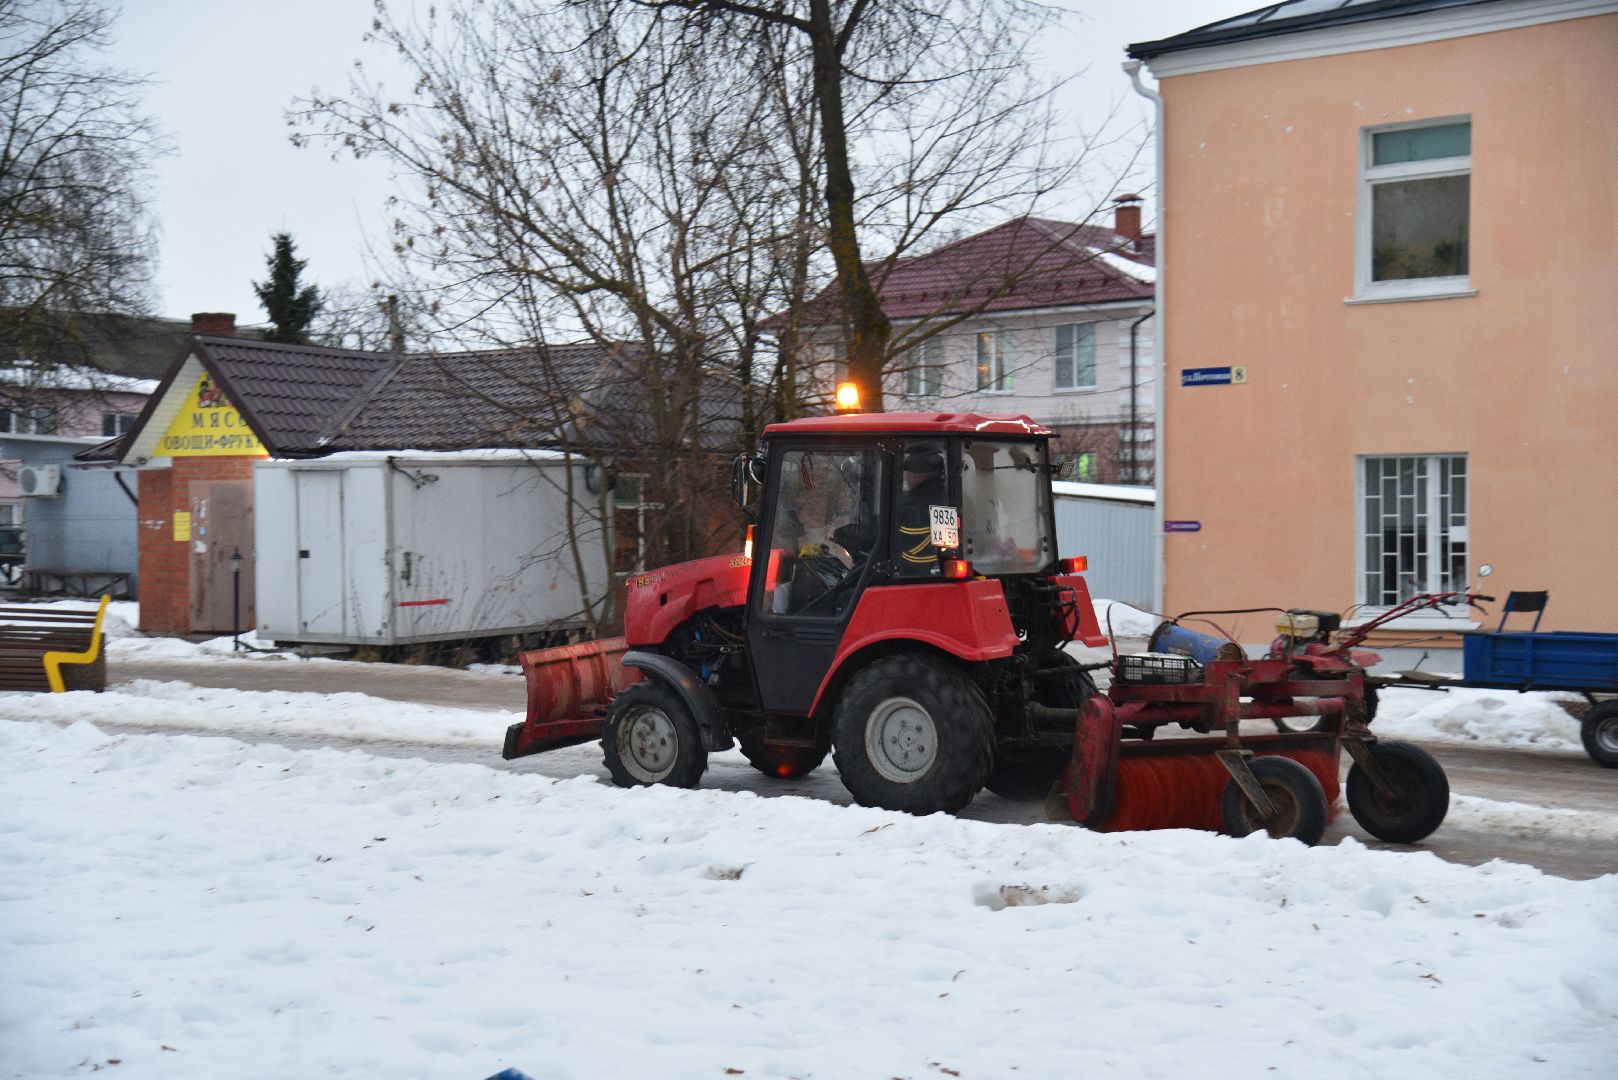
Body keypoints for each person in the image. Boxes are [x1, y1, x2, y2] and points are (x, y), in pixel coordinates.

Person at [897, 448, 947, 571]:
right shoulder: (945, 496)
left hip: (913, 569)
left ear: (919, 476)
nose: (906, 477)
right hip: (936, 567)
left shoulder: (911, 504)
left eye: (908, 473)